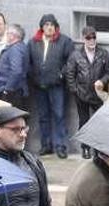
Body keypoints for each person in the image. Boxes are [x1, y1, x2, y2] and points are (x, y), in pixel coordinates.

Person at [28, 14, 73, 159]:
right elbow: (28, 62)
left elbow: (71, 61)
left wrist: (61, 75)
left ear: (56, 27)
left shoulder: (64, 41)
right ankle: (46, 145)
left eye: (52, 25)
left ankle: (60, 146)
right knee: (43, 117)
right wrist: (32, 76)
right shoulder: (33, 42)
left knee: (59, 115)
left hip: (56, 85)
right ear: (42, 27)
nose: (49, 27)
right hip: (39, 85)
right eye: (46, 25)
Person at [65, 26, 109, 160]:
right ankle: (85, 148)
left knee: (100, 121)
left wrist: (102, 81)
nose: (92, 40)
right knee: (84, 122)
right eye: (88, 38)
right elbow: (69, 74)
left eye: (94, 37)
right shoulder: (76, 55)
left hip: (98, 94)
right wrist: (75, 90)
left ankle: (98, 149)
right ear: (83, 39)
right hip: (82, 94)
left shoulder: (103, 53)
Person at [0, 24, 29, 110]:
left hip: (9, 92)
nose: (6, 36)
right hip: (12, 90)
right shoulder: (19, 47)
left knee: (7, 120)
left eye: (7, 33)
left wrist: (7, 90)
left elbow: (16, 71)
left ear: (13, 36)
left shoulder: (15, 49)